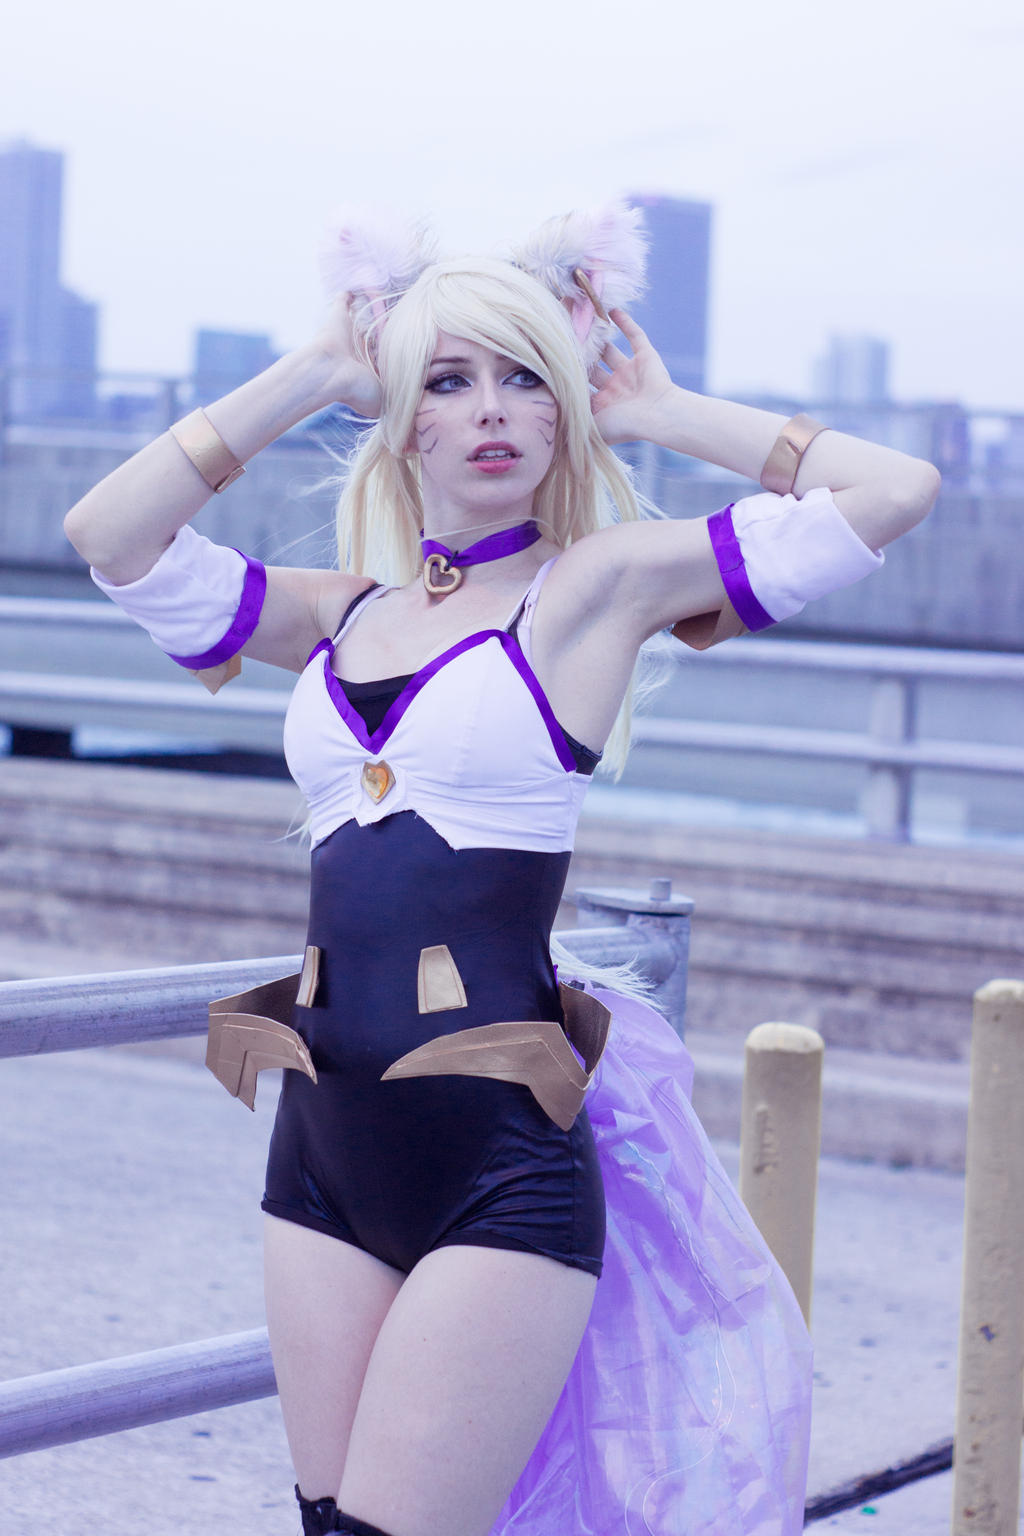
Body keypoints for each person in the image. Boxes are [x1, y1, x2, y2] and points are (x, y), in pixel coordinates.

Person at [64, 205, 940, 1536]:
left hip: (499, 1156)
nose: (490, 408)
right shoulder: (340, 612)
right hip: (322, 1143)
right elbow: (111, 536)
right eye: (448, 379)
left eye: (527, 378)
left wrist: (663, 412)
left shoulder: (592, 592)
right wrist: (315, 372)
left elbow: (894, 492)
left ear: (562, 416)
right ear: (401, 420)